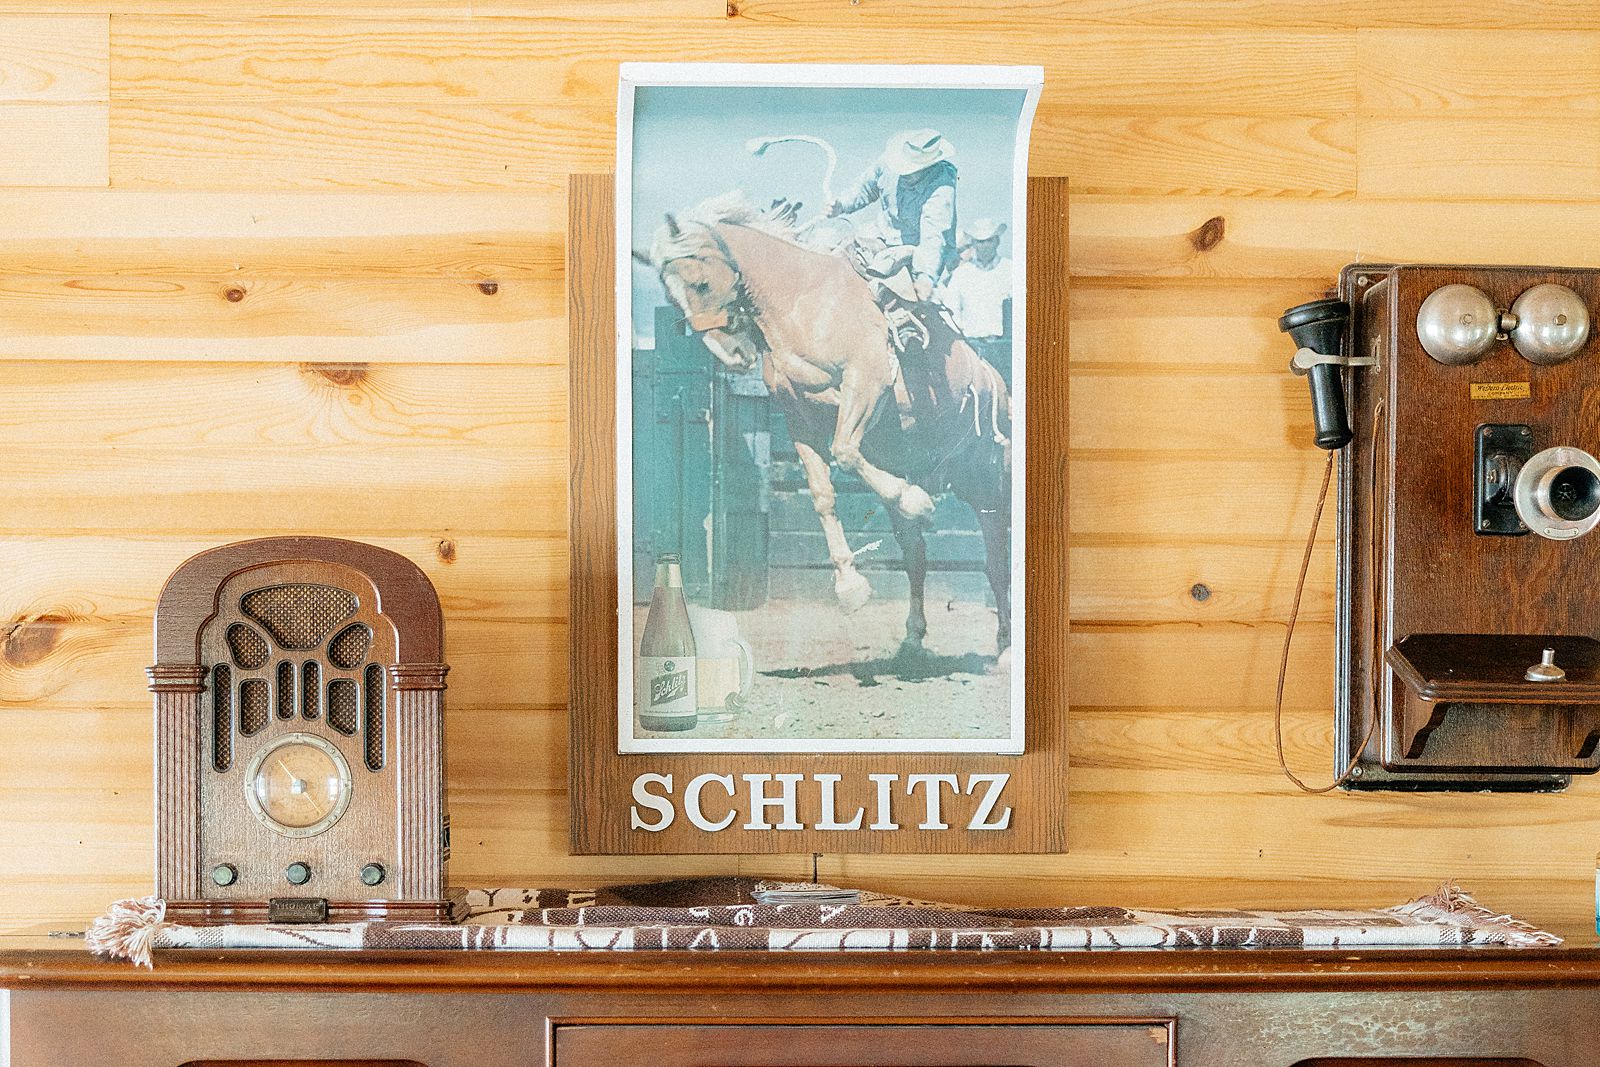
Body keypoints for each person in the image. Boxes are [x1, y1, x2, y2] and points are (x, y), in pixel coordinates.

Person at [827, 129, 959, 352]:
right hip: (883, 239)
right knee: (841, 255)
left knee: (892, 280)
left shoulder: (942, 183)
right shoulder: (887, 163)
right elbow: (865, 188)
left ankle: (907, 331)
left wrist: (926, 276)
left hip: (921, 251)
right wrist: (841, 205)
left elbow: (934, 234)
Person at [944, 218, 1011, 343]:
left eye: (989, 241)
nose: (985, 246)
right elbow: (951, 309)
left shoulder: (1010, 270)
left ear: (997, 241)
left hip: (1004, 343)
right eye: (980, 242)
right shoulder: (961, 274)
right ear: (973, 244)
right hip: (971, 343)